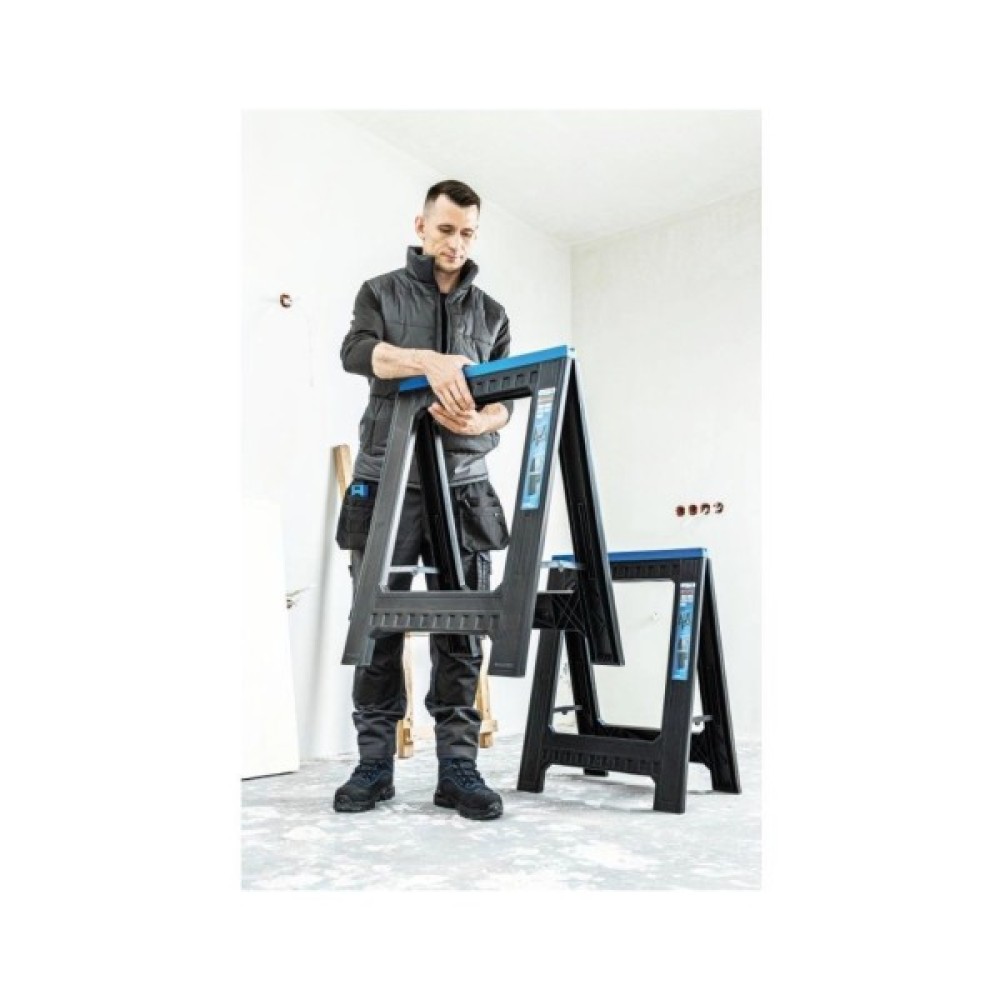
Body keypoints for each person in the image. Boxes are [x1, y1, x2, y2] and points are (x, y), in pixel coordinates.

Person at [333, 180, 513, 821]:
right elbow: (356, 352)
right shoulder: (380, 292)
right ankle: (374, 765)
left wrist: (482, 421)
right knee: (377, 628)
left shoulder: (491, 314)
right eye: (444, 230)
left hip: (464, 488)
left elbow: (504, 404)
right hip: (387, 481)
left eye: (467, 233)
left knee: (461, 631)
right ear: (421, 226)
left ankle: (457, 768)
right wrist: (428, 361)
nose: (455, 243)